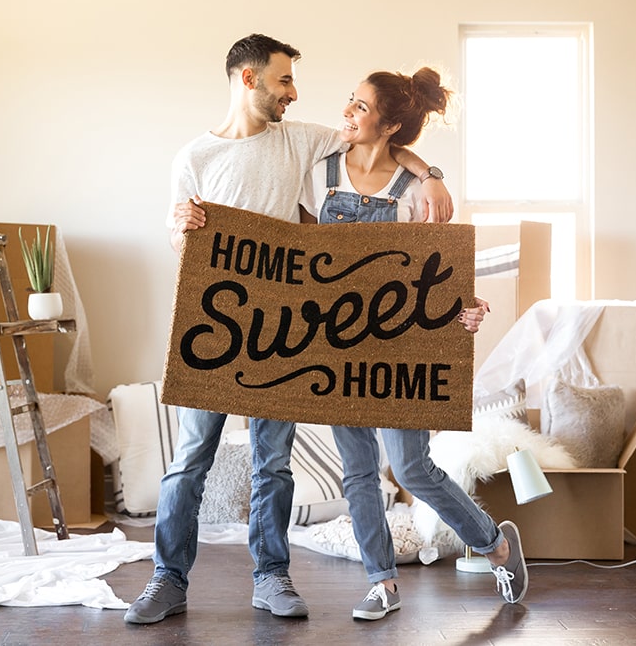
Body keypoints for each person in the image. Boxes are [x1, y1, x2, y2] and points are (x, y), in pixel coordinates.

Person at [124, 33, 453, 625]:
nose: (294, 94)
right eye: (284, 81)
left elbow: (380, 141)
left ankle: (271, 577)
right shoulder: (193, 158)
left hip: (279, 327)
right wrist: (183, 228)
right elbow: (181, 246)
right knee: (190, 458)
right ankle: (167, 581)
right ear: (249, 80)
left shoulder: (298, 141)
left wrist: (432, 175)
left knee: (271, 463)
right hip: (214, 325)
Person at [304, 66, 527, 621]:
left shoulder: (413, 193)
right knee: (356, 471)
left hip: (400, 346)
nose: (348, 113)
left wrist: (465, 304)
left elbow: (435, 271)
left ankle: (494, 542)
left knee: (410, 468)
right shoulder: (322, 168)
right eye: (349, 101)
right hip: (337, 344)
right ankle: (382, 583)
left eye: (360, 107)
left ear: (391, 122)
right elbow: (300, 248)